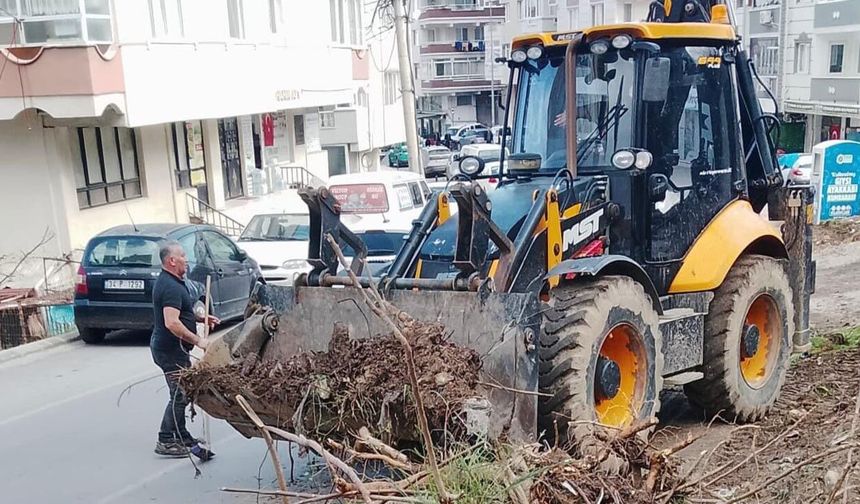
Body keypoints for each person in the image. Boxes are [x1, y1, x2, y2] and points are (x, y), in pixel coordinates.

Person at [150, 240, 219, 457]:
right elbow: (172, 322)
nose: (186, 260)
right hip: (169, 351)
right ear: (172, 261)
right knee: (180, 395)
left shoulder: (172, 282)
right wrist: (198, 340)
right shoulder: (170, 286)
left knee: (182, 392)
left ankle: (181, 435)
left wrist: (199, 317)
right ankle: (166, 439)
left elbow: (180, 312)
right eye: (182, 256)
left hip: (173, 349)